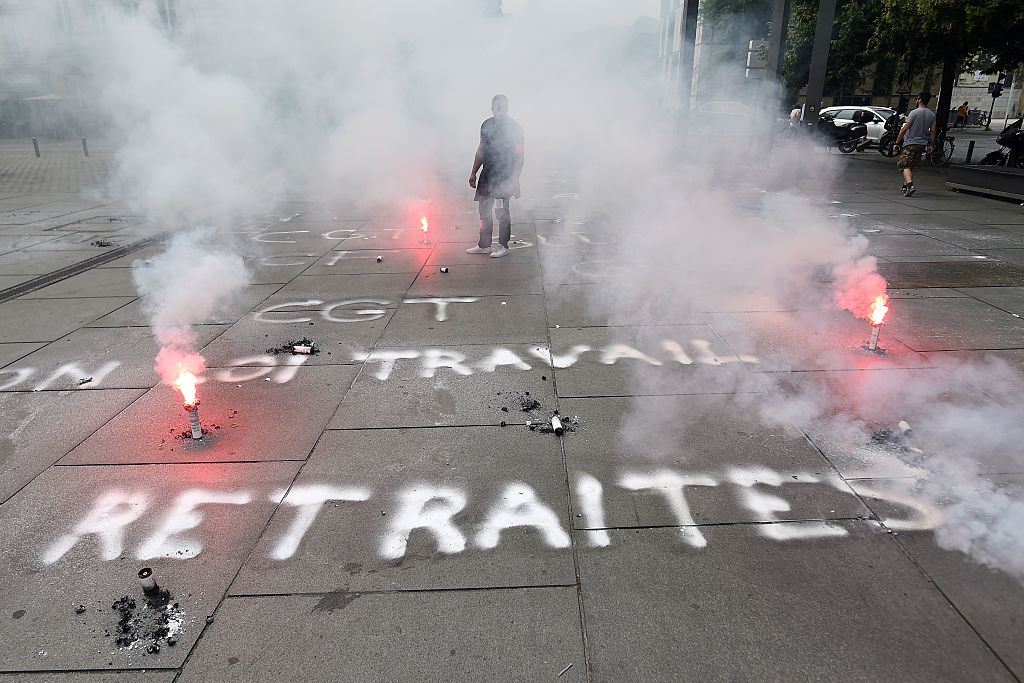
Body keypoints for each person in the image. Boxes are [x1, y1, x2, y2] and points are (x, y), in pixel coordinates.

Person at [467, 94, 524, 258]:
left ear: (507, 108)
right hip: (487, 175)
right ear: (492, 108)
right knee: (484, 212)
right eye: (497, 107)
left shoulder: (515, 128)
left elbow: (520, 156)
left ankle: (503, 245)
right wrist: (473, 172)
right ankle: (484, 244)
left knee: (501, 212)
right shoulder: (486, 125)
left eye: (503, 107)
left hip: (504, 176)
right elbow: (481, 150)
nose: (500, 110)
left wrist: (514, 179)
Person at [893, 92, 937, 197]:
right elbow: (933, 131)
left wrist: (897, 142)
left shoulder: (914, 113)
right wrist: (931, 144)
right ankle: (904, 186)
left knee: (905, 165)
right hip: (922, 144)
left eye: (917, 99)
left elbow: (904, 128)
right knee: (913, 166)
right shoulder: (932, 114)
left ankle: (910, 185)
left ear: (920, 100)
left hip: (910, 143)